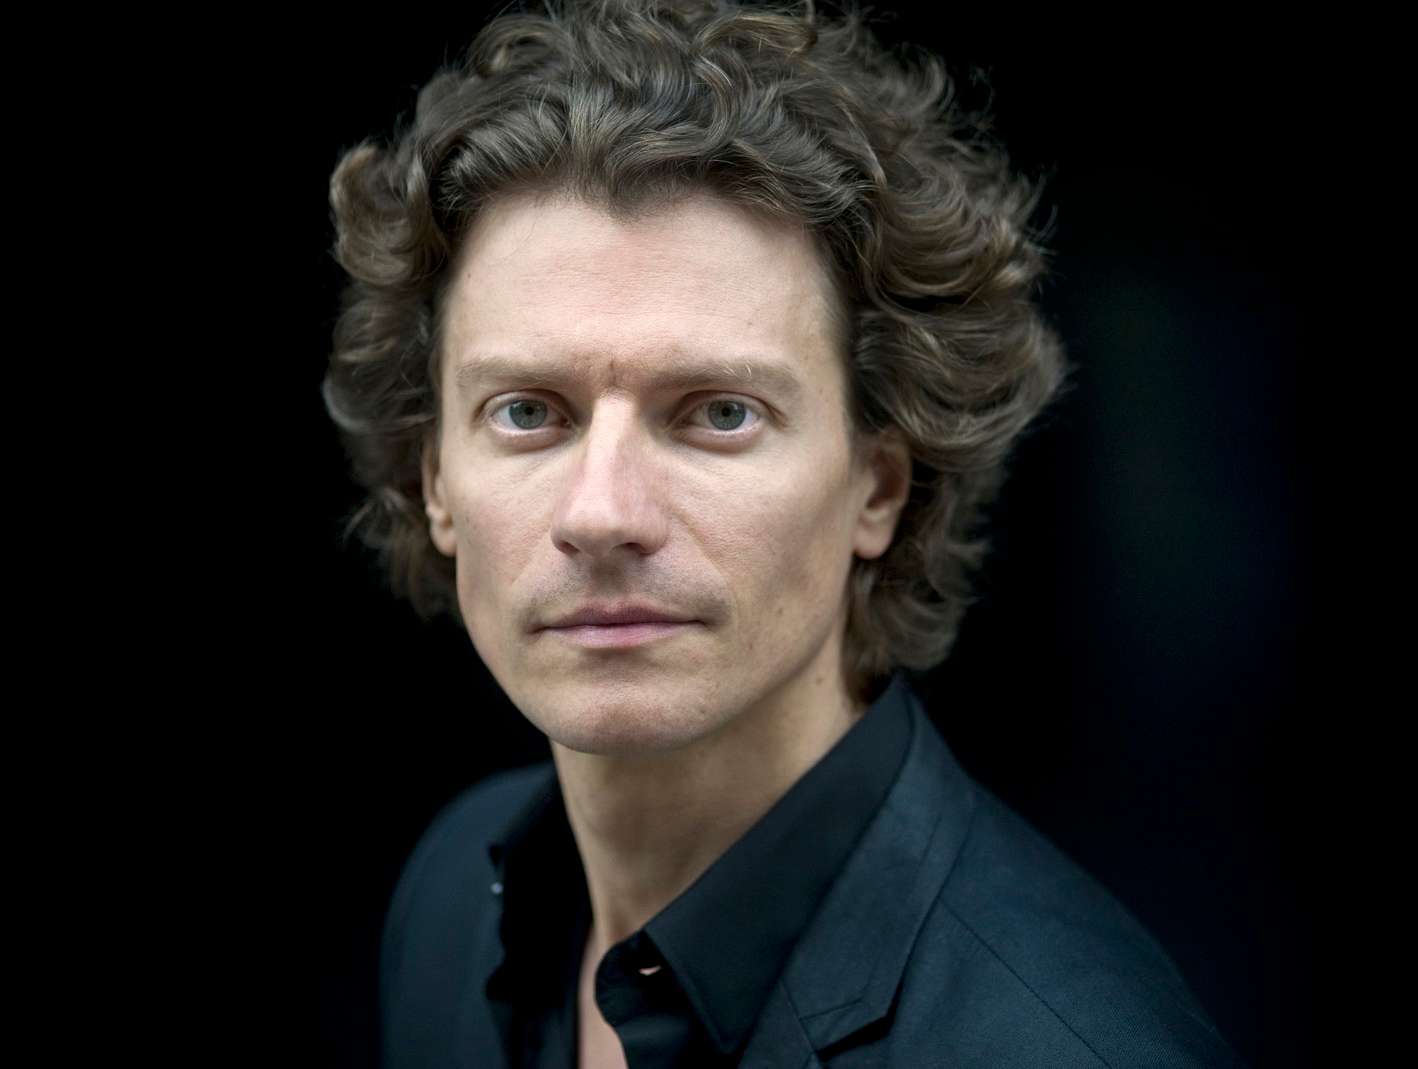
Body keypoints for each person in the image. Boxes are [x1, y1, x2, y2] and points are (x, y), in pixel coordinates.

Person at [321, 1, 1243, 1065]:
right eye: (528, 411)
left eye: (720, 413)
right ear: (435, 480)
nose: (601, 513)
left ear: (877, 488)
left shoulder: (1060, 1047)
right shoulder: (451, 900)